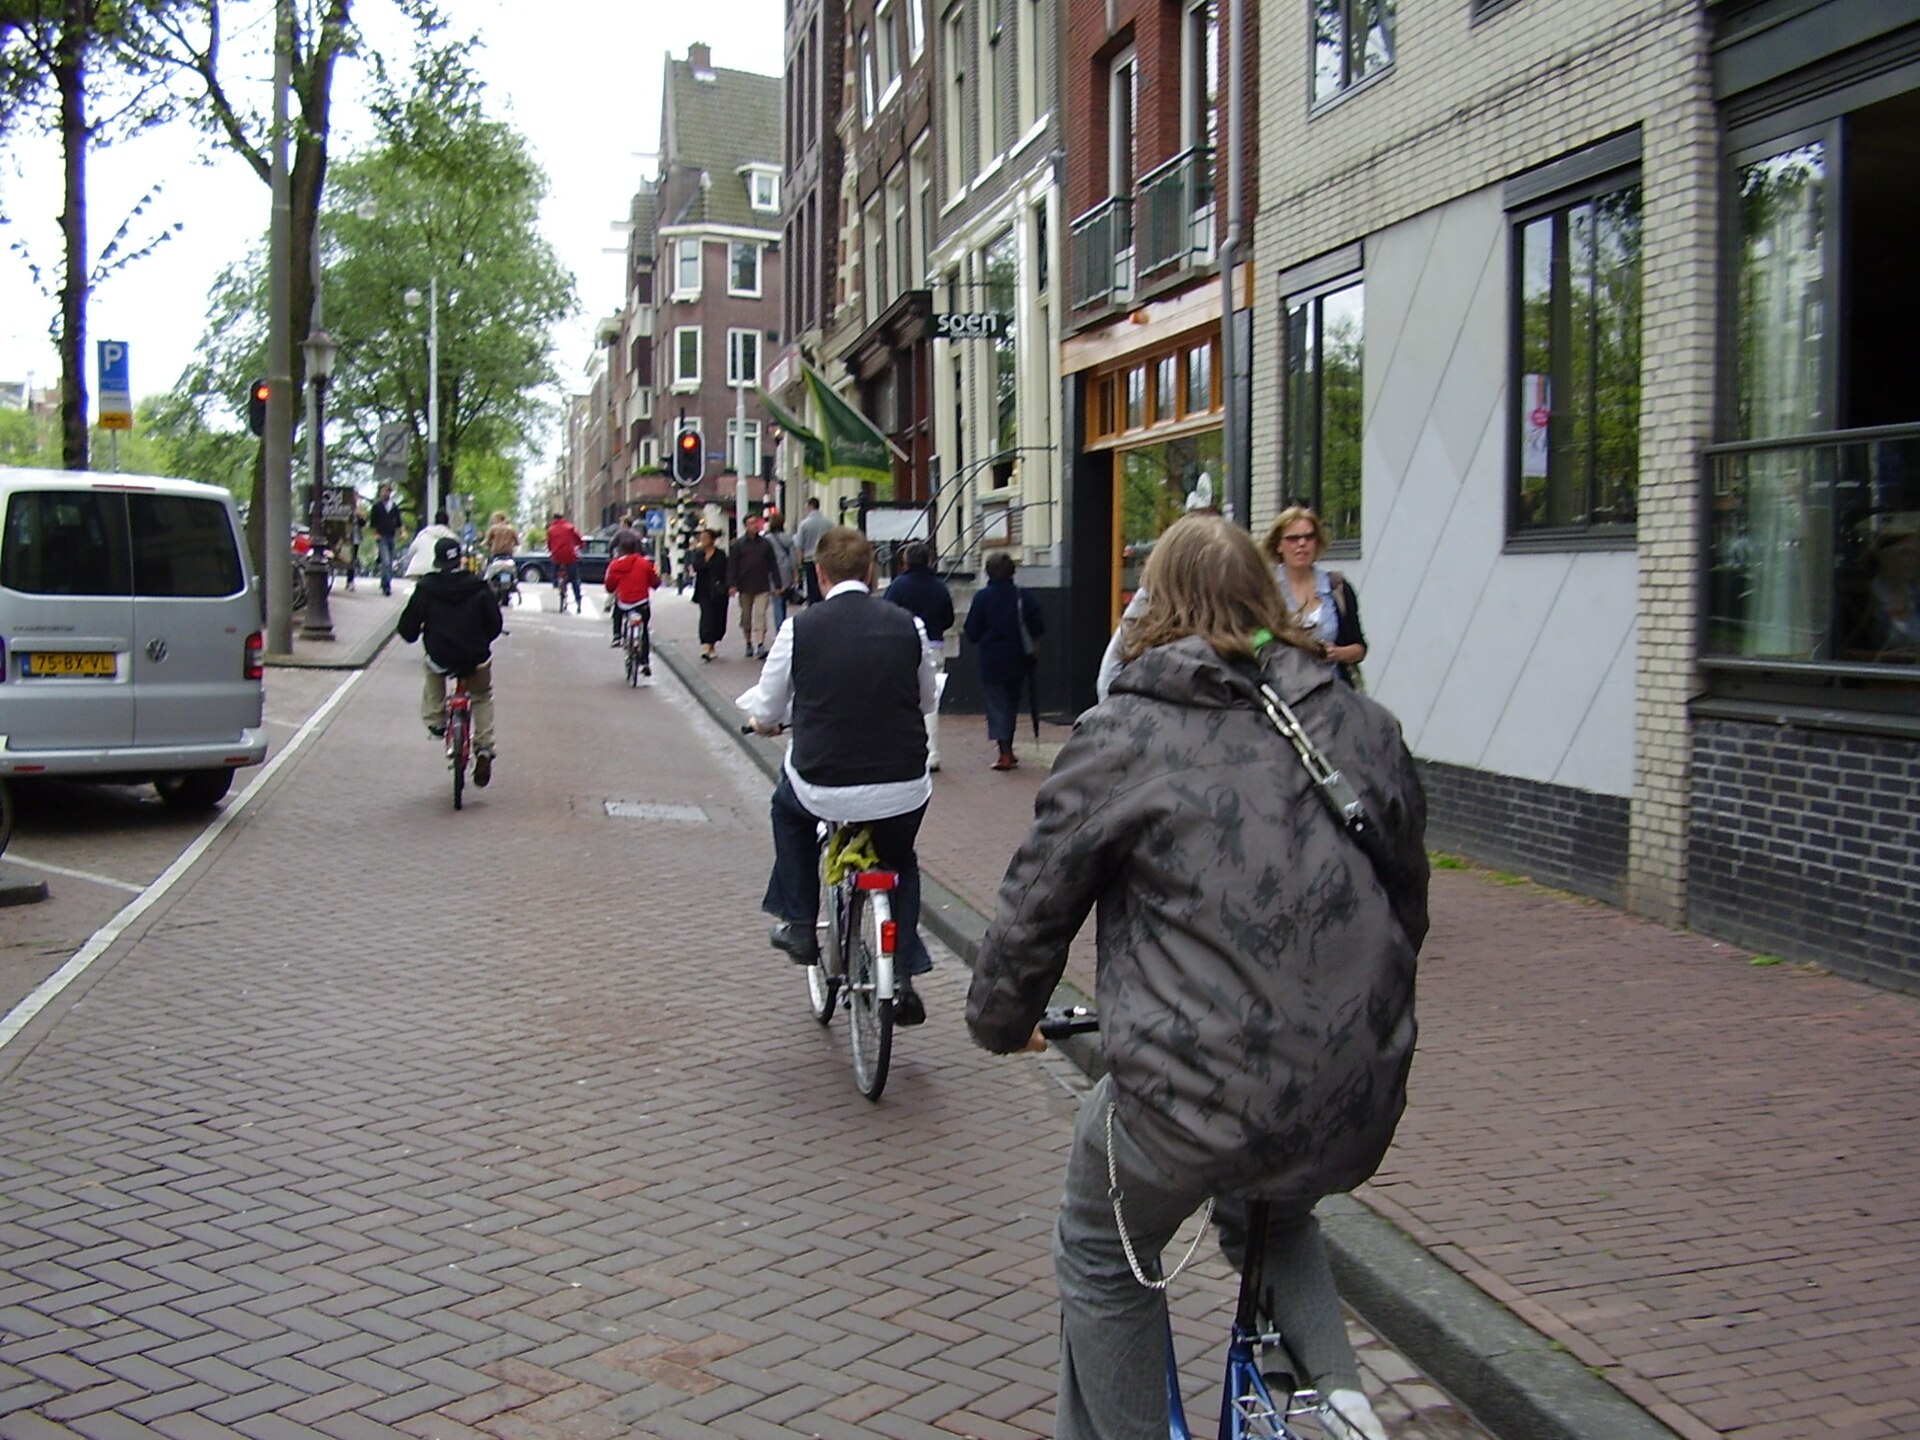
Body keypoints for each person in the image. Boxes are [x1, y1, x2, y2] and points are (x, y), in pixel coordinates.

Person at [965, 514, 1427, 1440]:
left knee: (1102, 1246)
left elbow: (1036, 905)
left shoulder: (1126, 731)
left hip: (1188, 1088)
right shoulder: (1362, 724)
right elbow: (1408, 898)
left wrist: (1001, 1018)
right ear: (1263, 596)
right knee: (1275, 1209)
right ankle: (1343, 1400)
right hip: (1351, 1074)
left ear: (1154, 603)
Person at [739, 526, 939, 1026]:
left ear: (820, 574)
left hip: (822, 783)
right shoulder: (908, 625)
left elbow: (767, 705)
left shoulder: (799, 630)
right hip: (901, 784)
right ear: (872, 573)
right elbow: (927, 700)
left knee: (788, 812)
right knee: (900, 861)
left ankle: (802, 923)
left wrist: (765, 724)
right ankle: (906, 973)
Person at [397, 535, 505, 788]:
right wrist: (482, 639)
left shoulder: (426, 588)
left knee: (431, 669)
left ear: (436, 561)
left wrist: (416, 631)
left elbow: (407, 628)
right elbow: (495, 625)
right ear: (461, 560)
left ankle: (436, 720)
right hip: (475, 655)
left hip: (441, 654)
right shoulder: (479, 586)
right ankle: (484, 748)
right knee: (481, 696)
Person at [1263, 505, 1368, 687]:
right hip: (1282, 693)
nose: (1302, 544)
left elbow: (1359, 648)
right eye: (1293, 539)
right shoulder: (1266, 590)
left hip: (1333, 692)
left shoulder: (1337, 587)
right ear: (1279, 545)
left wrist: (1338, 653)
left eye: (1308, 537)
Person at [962, 550, 1044, 771]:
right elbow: (1038, 626)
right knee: (1012, 703)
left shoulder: (982, 598)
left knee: (996, 704)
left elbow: (972, 631)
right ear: (1012, 572)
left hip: (991, 658)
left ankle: (1004, 753)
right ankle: (1008, 749)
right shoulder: (1023, 596)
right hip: (1019, 657)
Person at [884, 542, 955, 773]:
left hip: (902, 646)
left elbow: (886, 613)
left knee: (902, 697)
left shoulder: (897, 587)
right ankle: (932, 752)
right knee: (931, 699)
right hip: (933, 645)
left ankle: (903, 750)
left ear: (905, 562)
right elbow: (949, 619)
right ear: (929, 561)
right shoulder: (939, 587)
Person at [1844, 521, 1920, 662]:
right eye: (1905, 553)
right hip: (1878, 680)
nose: (1913, 561)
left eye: (1917, 554)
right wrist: (1893, 657)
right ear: (1883, 556)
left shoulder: (1916, 597)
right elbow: (1843, 654)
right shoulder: (1858, 601)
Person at [604, 530, 661, 664]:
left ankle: (617, 635)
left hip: (624, 603)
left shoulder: (615, 565)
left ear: (621, 550)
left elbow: (609, 586)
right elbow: (655, 583)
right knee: (644, 629)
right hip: (642, 603)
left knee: (617, 610)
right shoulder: (644, 564)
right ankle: (645, 662)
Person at [728, 513, 780, 658]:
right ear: (746, 526)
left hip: (762, 585)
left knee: (760, 615)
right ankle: (748, 642)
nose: (755, 526)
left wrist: (777, 583)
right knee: (746, 616)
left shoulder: (765, 544)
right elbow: (732, 565)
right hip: (744, 585)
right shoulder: (738, 545)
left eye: (756, 522)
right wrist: (732, 584)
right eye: (751, 523)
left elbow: (773, 564)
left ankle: (760, 644)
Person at [689, 526, 730, 661]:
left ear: (712, 540)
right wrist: (705, 558)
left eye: (706, 538)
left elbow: (725, 571)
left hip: (719, 592)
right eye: (702, 538)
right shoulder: (698, 554)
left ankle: (712, 644)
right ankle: (706, 647)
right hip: (704, 591)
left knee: (718, 618)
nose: (703, 540)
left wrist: (728, 587)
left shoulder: (720, 554)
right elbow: (696, 567)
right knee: (707, 617)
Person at [764, 510, 799, 636]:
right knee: (783, 600)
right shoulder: (788, 537)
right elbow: (793, 558)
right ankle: (784, 625)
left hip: (773, 572)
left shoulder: (767, 539)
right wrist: (795, 574)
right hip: (786, 571)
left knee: (777, 602)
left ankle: (780, 630)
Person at [794, 496, 831, 604]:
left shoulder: (804, 524)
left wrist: (799, 563)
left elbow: (800, 545)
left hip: (809, 559)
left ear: (810, 506)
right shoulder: (829, 523)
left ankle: (814, 607)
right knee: (824, 585)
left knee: (812, 588)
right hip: (825, 559)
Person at [368, 483, 404, 596]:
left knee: (389, 562)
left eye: (386, 491)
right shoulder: (377, 506)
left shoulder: (394, 506)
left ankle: (384, 582)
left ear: (390, 493)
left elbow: (398, 522)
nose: (384, 493)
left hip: (391, 536)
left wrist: (402, 532)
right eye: (382, 491)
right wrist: (375, 534)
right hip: (381, 536)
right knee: (386, 561)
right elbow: (372, 523)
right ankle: (387, 586)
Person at [546, 511, 584, 614]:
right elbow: (579, 540)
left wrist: (552, 550)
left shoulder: (550, 530)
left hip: (557, 556)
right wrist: (580, 545)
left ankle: (555, 582)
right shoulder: (570, 527)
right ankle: (578, 601)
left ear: (554, 519)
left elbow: (549, 544)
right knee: (575, 579)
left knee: (554, 564)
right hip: (570, 556)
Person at [403, 509, 459, 577]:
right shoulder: (452, 538)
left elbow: (411, 551)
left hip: (417, 570)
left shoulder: (423, 533)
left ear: (435, 521)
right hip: (437, 570)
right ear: (448, 522)